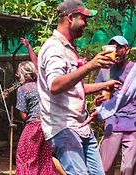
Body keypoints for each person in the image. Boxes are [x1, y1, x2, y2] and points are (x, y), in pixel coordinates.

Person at [37, 0, 121, 174]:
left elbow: (75, 88)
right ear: (70, 18)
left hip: (80, 125)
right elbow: (55, 85)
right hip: (63, 127)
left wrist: (104, 85)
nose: (86, 24)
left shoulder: (69, 48)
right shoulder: (54, 48)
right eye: (83, 18)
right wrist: (90, 65)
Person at [89, 36, 136, 175]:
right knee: (105, 168)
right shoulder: (105, 71)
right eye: (112, 48)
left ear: (126, 50)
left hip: (133, 125)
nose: (115, 51)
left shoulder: (134, 69)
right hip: (113, 124)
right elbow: (99, 97)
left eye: (119, 47)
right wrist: (97, 102)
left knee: (128, 169)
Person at [15, 61, 55, 175]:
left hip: (34, 125)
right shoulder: (43, 86)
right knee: (44, 157)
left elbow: (23, 114)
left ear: (22, 73)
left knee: (24, 156)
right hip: (47, 125)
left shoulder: (23, 89)